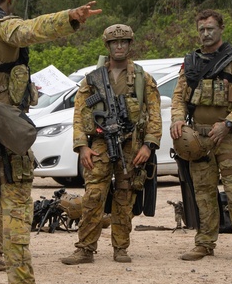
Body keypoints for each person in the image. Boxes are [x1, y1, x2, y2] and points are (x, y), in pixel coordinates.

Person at [0, 0, 100, 284]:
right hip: (8, 136)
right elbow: (31, 29)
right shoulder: (1, 27)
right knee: (17, 213)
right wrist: (70, 18)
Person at [60, 24, 162, 265]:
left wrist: (149, 145)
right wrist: (82, 146)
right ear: (107, 46)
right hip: (99, 144)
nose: (119, 46)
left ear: (129, 45)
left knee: (125, 196)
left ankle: (121, 247)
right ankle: (85, 248)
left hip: (131, 144)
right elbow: (79, 113)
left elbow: (155, 114)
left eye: (124, 42)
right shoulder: (92, 79)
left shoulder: (142, 78)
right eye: (115, 43)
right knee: (94, 194)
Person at [170, 9, 232, 263]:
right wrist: (177, 119)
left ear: (221, 29)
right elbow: (178, 96)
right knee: (203, 192)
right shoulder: (191, 63)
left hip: (227, 136)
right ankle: (205, 243)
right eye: (202, 29)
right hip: (197, 138)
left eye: (210, 28)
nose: (206, 34)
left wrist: (229, 123)